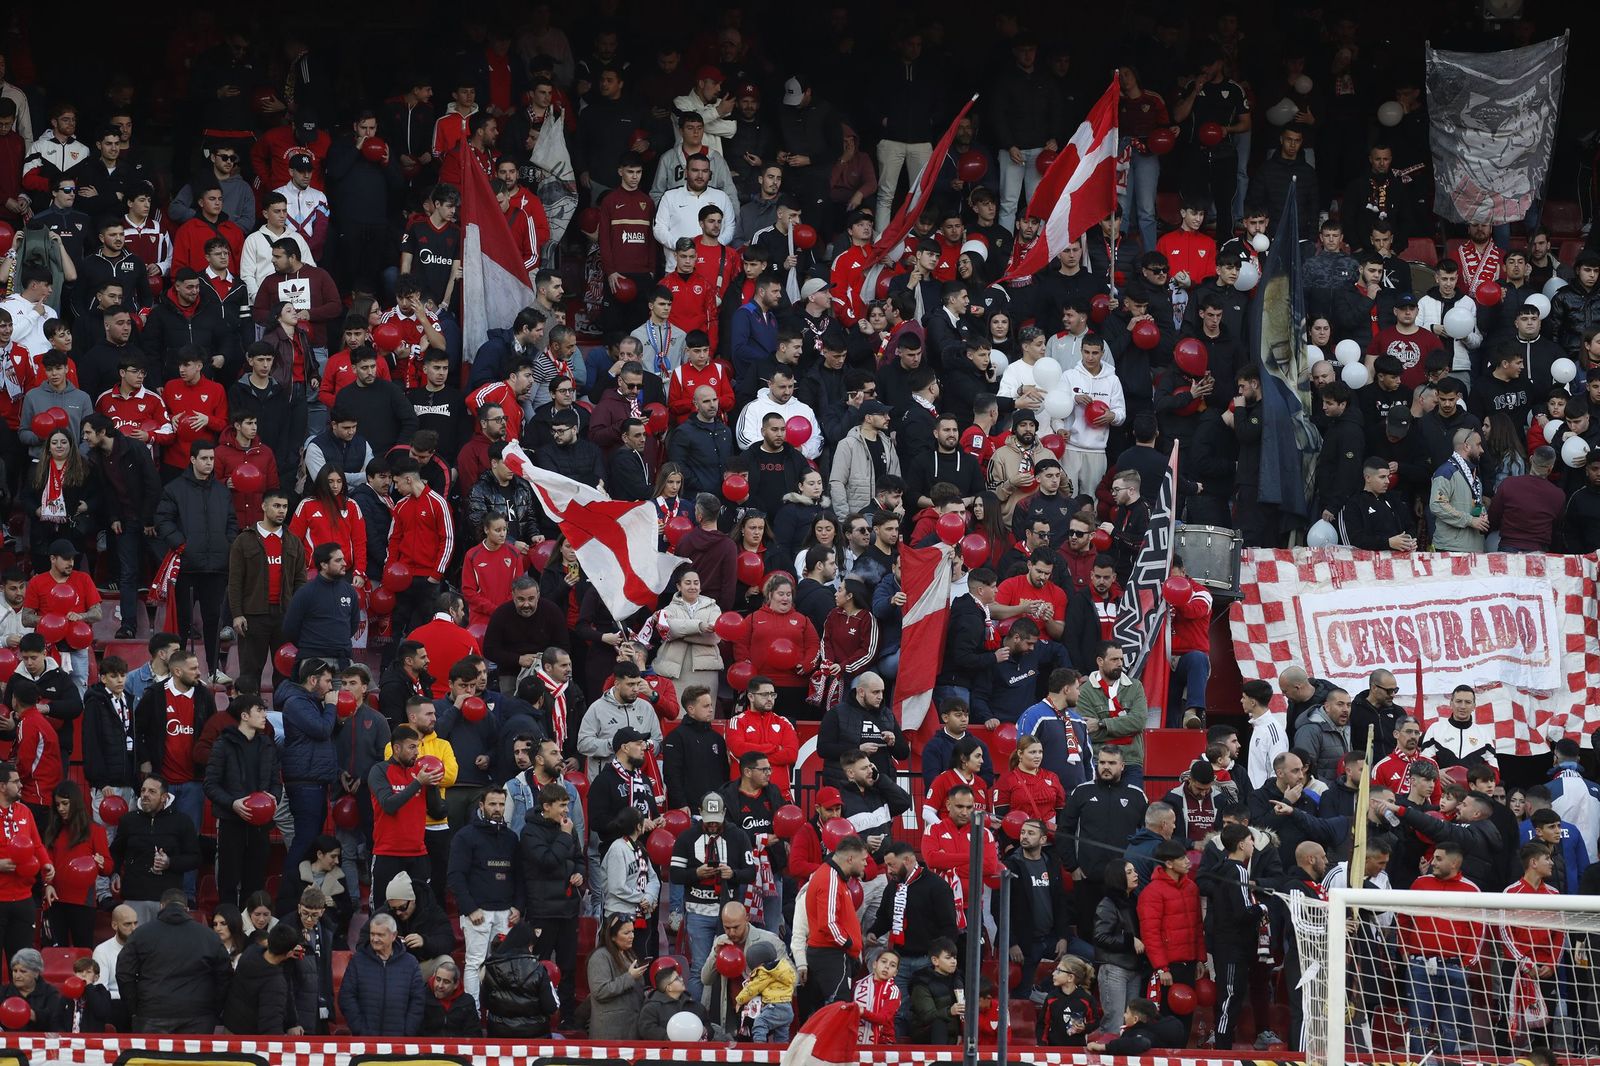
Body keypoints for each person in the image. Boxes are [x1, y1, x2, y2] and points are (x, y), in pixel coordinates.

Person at [153, 441, 238, 685]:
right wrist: (181, 544)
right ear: (192, 460)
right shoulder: (174, 489)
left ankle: (213, 670)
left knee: (213, 621)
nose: (209, 463)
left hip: (216, 569)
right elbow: (163, 520)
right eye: (204, 458)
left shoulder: (222, 491)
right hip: (187, 568)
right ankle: (178, 672)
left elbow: (232, 522)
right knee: (181, 623)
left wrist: (227, 544)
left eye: (211, 459)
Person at [116, 887, 233, 1033]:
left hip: (152, 1012)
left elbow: (124, 973)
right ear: (187, 909)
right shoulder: (209, 936)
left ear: (161, 906)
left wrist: (135, 1008)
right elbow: (225, 975)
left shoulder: (140, 934)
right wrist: (213, 1008)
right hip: (198, 1015)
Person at [204, 693, 282, 909]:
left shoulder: (267, 744)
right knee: (228, 879)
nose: (265, 715)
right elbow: (210, 784)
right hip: (231, 822)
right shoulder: (223, 744)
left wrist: (273, 798)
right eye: (259, 710)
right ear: (244, 716)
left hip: (261, 825)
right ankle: (227, 922)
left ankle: (250, 925)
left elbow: (276, 782)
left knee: (255, 881)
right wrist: (233, 804)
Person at [445, 785, 522, 1001]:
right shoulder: (465, 836)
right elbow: (455, 876)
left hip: (506, 913)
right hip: (477, 913)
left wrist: (518, 906)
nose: (497, 808)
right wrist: (470, 908)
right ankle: (473, 1012)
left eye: (501, 804)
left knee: (503, 965)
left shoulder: (511, 838)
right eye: (492, 804)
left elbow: (519, 875)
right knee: (475, 963)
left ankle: (500, 1012)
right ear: (481, 805)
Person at [227, 490, 307, 695]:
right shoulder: (243, 540)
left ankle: (283, 712)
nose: (281, 511)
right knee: (250, 672)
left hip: (285, 616)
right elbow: (234, 582)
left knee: (285, 673)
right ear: (263, 506)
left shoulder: (294, 541)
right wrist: (237, 614)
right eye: (276, 506)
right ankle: (249, 711)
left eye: (285, 507)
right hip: (253, 616)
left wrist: (298, 615)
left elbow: (300, 582)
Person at [520, 782, 584, 1018]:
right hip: (543, 910)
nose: (566, 810)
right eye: (562, 805)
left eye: (567, 805)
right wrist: (565, 836)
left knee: (568, 966)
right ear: (546, 806)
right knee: (541, 964)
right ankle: (538, 1014)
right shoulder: (530, 832)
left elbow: (578, 858)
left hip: (568, 909)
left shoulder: (568, 827)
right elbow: (547, 861)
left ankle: (567, 1016)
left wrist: (580, 874)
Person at [338, 912, 426, 1037]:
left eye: (380, 935)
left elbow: (418, 1000)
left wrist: (407, 1031)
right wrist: (359, 1028)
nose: (375, 939)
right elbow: (346, 997)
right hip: (366, 1040)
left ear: (393, 935)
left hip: (399, 1041)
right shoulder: (358, 961)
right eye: (372, 934)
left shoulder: (410, 963)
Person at [1076, 642, 1150, 785]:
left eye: (1121, 659)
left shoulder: (1135, 687)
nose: (1120, 663)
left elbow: (1139, 722)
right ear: (1100, 661)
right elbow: (1089, 733)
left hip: (1130, 761)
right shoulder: (1085, 691)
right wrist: (1126, 729)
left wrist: (1101, 724)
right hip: (1099, 761)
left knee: (1132, 800)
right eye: (1114, 659)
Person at [478, 921, 560, 1038]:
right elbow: (551, 1007)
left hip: (499, 1036)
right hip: (535, 1037)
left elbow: (484, 1002)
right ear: (529, 945)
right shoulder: (538, 969)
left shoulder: (490, 968)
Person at [221, 923, 301, 1035]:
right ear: (289, 953)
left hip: (230, 1026)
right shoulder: (275, 983)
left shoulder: (250, 952)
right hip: (249, 1039)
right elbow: (270, 1025)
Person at [587, 914, 648, 1040]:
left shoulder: (629, 954)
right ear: (612, 936)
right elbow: (600, 991)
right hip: (609, 1033)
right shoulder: (600, 957)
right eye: (626, 933)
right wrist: (630, 977)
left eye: (632, 931)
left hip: (631, 1029)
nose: (632, 936)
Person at [906, 936, 964, 1044]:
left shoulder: (959, 978)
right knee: (939, 1024)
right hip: (926, 1034)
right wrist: (950, 1011)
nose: (953, 961)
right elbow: (926, 1017)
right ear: (935, 960)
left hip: (953, 1033)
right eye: (948, 958)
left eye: (955, 957)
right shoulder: (921, 983)